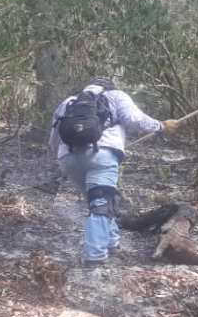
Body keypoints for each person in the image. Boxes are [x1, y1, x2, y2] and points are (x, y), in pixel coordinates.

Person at [49, 78, 179, 267]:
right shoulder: (116, 96)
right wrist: (161, 126)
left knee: (97, 202)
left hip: (68, 159)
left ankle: (112, 241)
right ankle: (94, 257)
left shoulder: (69, 102)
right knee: (101, 203)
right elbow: (135, 119)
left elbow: (54, 137)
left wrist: (61, 160)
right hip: (102, 156)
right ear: (108, 87)